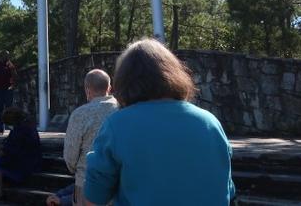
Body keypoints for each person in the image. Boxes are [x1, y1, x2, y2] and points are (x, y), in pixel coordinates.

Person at [84, 39, 236, 206]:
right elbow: (227, 190)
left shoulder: (117, 125)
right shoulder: (211, 122)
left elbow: (94, 197)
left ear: (124, 82)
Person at [63, 69, 119, 205]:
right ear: (109, 88)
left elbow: (70, 156)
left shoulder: (80, 114)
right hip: (117, 185)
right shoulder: (122, 110)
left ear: (87, 90)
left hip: (86, 184)